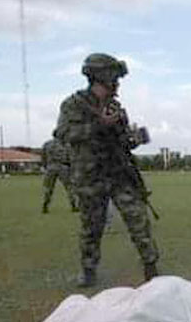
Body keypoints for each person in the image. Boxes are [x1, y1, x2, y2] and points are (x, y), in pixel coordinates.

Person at [55, 53, 159, 287]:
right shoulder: (74, 105)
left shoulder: (116, 107)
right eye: (115, 78)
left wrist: (136, 138)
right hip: (90, 177)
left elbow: (122, 141)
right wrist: (98, 125)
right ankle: (88, 270)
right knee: (92, 226)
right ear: (101, 77)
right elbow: (64, 134)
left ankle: (151, 266)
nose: (118, 84)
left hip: (119, 173)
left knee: (138, 219)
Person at [41, 134, 78, 213]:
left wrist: (46, 166)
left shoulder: (47, 144)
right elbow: (71, 156)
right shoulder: (66, 144)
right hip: (63, 167)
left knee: (48, 188)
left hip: (50, 167)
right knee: (69, 187)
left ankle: (45, 205)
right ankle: (74, 205)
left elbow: (43, 157)